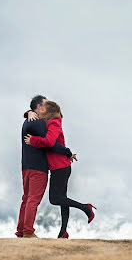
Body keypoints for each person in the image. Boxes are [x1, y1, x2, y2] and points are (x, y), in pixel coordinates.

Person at [24, 100, 96, 239]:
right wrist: (28, 113)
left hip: (60, 168)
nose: (39, 109)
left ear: (49, 111)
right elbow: (32, 113)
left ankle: (86, 208)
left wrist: (33, 140)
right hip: (58, 167)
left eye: (42, 108)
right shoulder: (47, 122)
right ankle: (63, 232)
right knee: (62, 199)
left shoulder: (54, 122)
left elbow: (51, 143)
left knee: (55, 199)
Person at [17, 95, 74, 238]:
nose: (47, 107)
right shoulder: (38, 123)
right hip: (38, 168)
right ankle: (28, 232)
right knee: (33, 200)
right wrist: (68, 152)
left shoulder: (28, 121)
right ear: (38, 107)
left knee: (26, 198)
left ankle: (21, 231)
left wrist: (27, 112)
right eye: (45, 105)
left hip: (26, 166)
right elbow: (51, 143)